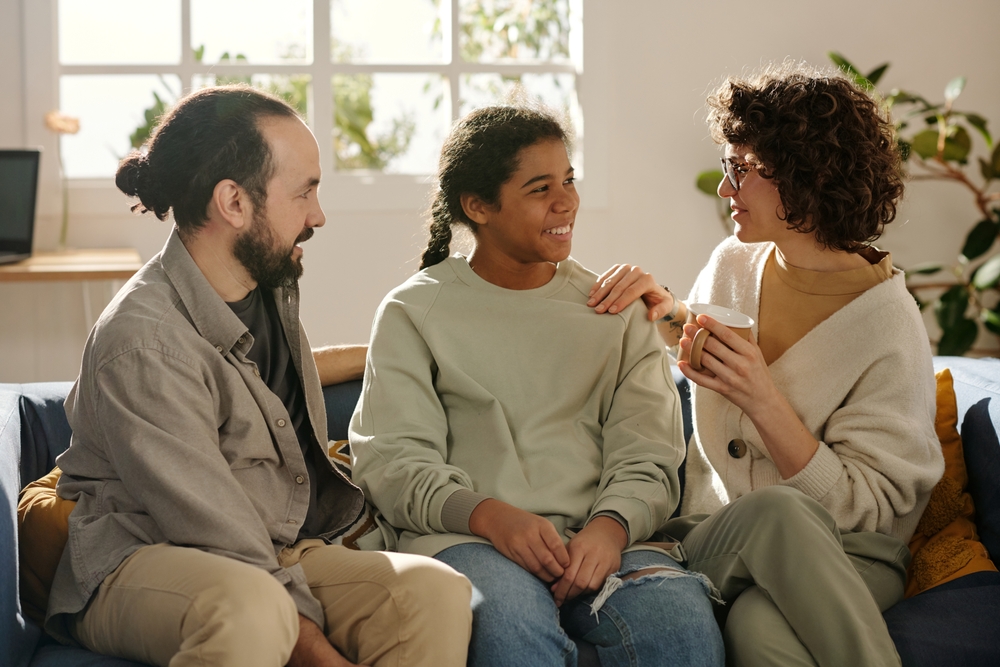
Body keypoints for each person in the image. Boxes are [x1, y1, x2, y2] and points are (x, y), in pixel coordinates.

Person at [44, 85, 472, 667]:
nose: (318, 216)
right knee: (254, 608)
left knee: (431, 592)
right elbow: (213, 530)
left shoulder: (262, 283)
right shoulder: (143, 342)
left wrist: (395, 351)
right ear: (234, 204)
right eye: (305, 193)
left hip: (273, 545)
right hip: (145, 555)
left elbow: (244, 381)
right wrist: (320, 653)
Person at [588, 62, 945, 666]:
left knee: (757, 627)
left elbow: (870, 511)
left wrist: (764, 400)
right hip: (719, 540)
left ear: (806, 176)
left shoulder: (888, 323)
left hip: (852, 556)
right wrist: (668, 310)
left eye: (739, 169)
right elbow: (707, 345)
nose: (724, 189)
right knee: (774, 514)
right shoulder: (734, 263)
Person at [350, 105, 724, 667]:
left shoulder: (616, 310)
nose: (566, 201)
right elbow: (393, 461)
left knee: (681, 624)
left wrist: (610, 526)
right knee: (508, 625)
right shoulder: (413, 310)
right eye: (539, 188)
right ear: (478, 206)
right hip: (469, 545)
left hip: (605, 546)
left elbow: (648, 453)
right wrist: (489, 515)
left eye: (569, 180)